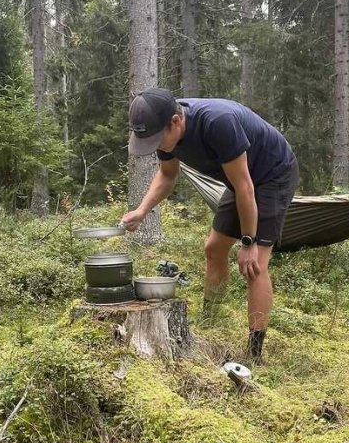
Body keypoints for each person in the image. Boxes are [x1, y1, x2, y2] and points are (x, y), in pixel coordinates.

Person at [121, 88, 300, 364]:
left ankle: (254, 353)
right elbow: (167, 175)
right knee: (214, 248)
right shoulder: (165, 130)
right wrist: (142, 211)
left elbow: (246, 187)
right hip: (239, 180)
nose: (156, 146)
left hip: (272, 175)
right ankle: (211, 322)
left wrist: (249, 242)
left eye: (156, 139)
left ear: (175, 122)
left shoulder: (218, 123)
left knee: (254, 265)